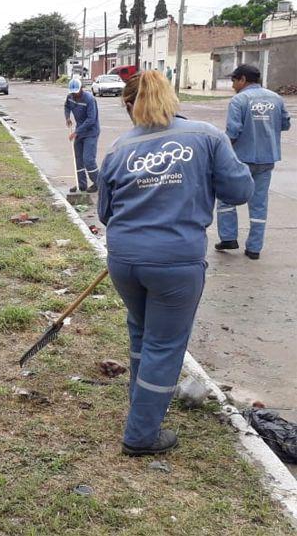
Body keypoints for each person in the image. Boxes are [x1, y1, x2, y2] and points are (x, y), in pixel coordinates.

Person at [97, 71, 253, 456]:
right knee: (164, 345)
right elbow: (240, 189)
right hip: (175, 262)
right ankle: (141, 435)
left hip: (125, 260)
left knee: (141, 332)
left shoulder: (118, 149)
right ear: (173, 98)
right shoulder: (206, 137)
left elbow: (105, 212)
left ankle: (141, 406)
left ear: (129, 105)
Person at [215, 64, 291, 260]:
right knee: (259, 203)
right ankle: (254, 248)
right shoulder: (276, 98)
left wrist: (221, 153)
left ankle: (229, 237)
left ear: (242, 80)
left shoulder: (239, 100)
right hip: (267, 158)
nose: (232, 85)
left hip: (242, 160)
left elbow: (233, 132)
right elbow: (285, 124)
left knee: (226, 197)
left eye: (233, 81)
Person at [64, 77, 101, 193]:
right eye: (73, 92)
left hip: (91, 132)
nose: (75, 95)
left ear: (81, 88)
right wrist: (67, 117)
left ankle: (98, 183)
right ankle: (81, 185)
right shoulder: (70, 97)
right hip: (79, 131)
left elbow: (91, 119)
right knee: (78, 159)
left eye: (76, 92)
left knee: (88, 159)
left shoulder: (89, 99)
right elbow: (66, 106)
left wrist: (76, 132)